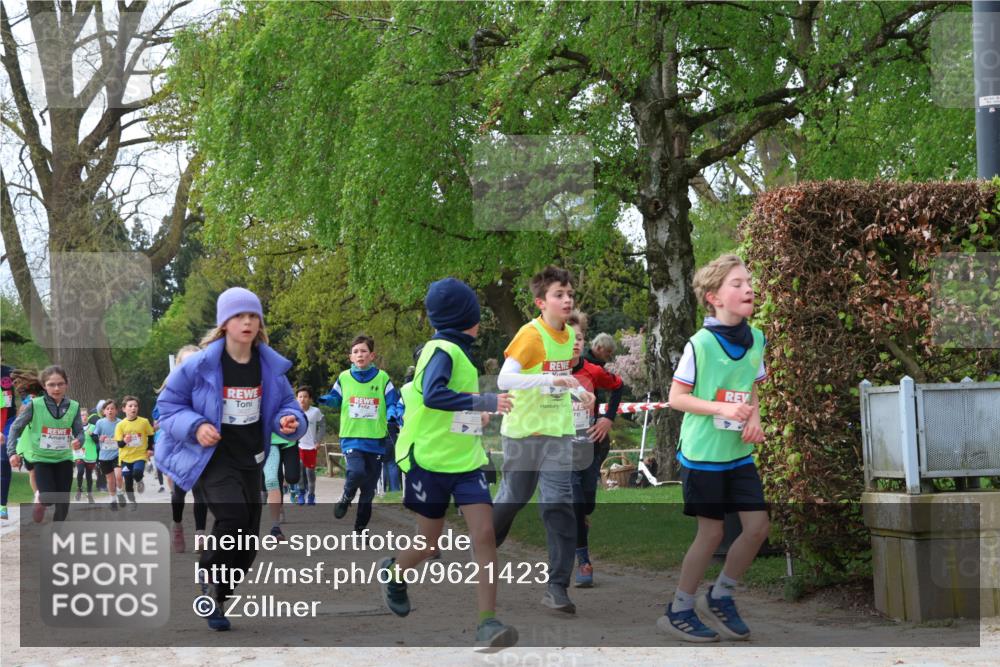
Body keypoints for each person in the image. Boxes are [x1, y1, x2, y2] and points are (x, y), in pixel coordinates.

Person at [379, 278, 518, 650]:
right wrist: (486, 403)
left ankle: (487, 623)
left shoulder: (458, 353)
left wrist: (475, 419)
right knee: (429, 544)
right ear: (464, 318)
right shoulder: (441, 349)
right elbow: (434, 396)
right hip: (429, 462)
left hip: (466, 462)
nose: (480, 320)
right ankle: (394, 573)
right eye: (476, 313)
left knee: (484, 535)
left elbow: (447, 415)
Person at [156, 287, 305, 631]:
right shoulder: (200, 365)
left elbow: (287, 405)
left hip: (250, 458)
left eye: (253, 316)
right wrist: (196, 426)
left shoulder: (269, 366)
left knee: (248, 542)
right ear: (224, 323)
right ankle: (208, 576)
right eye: (239, 316)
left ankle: (219, 595)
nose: (247, 322)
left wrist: (289, 420)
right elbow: (168, 407)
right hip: (212, 458)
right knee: (233, 518)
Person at [658, 253, 769, 643]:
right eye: (737, 284)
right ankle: (679, 609)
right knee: (711, 534)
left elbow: (751, 386)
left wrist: (754, 419)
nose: (748, 288)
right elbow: (676, 398)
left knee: (758, 527)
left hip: (737, 453)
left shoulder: (756, 339)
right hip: (703, 455)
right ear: (714, 297)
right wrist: (721, 408)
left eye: (749, 282)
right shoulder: (700, 344)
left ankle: (720, 595)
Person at [492, 266, 594, 614]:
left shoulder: (568, 337)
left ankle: (557, 587)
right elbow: (505, 381)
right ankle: (485, 541)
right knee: (513, 498)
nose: (567, 300)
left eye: (570, 294)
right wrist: (551, 382)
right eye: (559, 295)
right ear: (541, 302)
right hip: (522, 433)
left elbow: (561, 376)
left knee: (558, 503)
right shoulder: (530, 335)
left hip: (558, 433)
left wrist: (580, 392)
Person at [566, 311, 624, 588]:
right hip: (562, 449)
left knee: (587, 502)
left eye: (579, 338)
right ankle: (583, 561)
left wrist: (607, 418)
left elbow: (618, 386)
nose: (575, 343)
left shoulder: (592, 369)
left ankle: (582, 520)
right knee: (576, 503)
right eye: (569, 338)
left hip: (589, 445)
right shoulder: (547, 372)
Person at [319, 335, 401, 533]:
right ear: (350, 357)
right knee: (356, 472)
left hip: (376, 440)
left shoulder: (382, 378)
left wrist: (391, 414)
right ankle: (346, 496)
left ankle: (360, 528)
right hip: (351, 437)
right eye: (355, 352)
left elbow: (392, 401)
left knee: (368, 492)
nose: (360, 354)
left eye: (363, 351)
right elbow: (336, 398)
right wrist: (327, 399)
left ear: (372, 355)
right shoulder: (344, 377)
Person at [6, 366, 83, 523]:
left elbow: (79, 431)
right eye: (51, 385)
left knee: (63, 502)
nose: (56, 388)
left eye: (60, 384)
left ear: (67, 384)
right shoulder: (35, 405)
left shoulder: (74, 406)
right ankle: (40, 500)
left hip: (64, 458)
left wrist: (79, 440)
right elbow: (15, 427)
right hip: (42, 459)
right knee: (48, 498)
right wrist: (12, 452)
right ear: (44, 386)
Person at [156, 344, 208, 553]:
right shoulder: (171, 388)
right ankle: (177, 524)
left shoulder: (208, 386)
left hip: (201, 445)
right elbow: (163, 415)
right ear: (179, 366)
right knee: (179, 493)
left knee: (200, 491)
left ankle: (200, 536)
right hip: (179, 446)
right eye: (187, 362)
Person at [115, 396, 155, 510]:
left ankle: (139, 480)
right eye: (130, 406)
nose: (133, 408)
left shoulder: (144, 422)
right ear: (124, 409)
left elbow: (150, 435)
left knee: (137, 473)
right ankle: (132, 502)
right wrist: (125, 441)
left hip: (140, 455)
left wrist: (150, 448)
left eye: (135, 406)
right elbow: (119, 444)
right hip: (125, 458)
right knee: (128, 483)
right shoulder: (120, 425)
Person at [263, 432, 300, 541]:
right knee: (273, 480)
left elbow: (303, 421)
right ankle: (275, 527)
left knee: (293, 478)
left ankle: (279, 504)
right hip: (270, 441)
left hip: (290, 440)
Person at [294, 386, 324, 505]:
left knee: (310, 472)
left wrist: (318, 440)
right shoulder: (293, 411)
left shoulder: (315, 411)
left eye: (305, 397)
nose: (302, 399)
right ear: (297, 398)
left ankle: (311, 495)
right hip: (298, 446)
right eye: (300, 397)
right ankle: (301, 493)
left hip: (311, 447)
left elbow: (322, 426)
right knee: (300, 471)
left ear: (310, 399)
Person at [92, 399, 123, 510]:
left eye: (112, 408)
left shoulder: (121, 423)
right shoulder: (100, 423)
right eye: (107, 409)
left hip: (117, 454)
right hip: (104, 456)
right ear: (103, 411)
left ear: (116, 411)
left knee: (119, 476)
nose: (110, 411)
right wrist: (99, 438)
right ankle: (113, 499)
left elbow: (125, 436)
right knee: (110, 480)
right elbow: (94, 436)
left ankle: (120, 492)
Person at [1, 364, 13, 519]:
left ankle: (2, 504)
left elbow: (28, 389)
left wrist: (27, 402)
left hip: (8, 421)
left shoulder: (9, 372)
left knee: (3, 460)